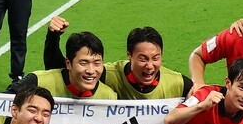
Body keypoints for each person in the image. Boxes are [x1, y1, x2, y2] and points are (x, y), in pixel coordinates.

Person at [43, 18, 193, 100]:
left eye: (155, 58)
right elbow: (61, 70)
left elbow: (199, 94)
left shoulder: (177, 83)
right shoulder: (109, 74)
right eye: (142, 59)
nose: (150, 66)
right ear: (129, 55)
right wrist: (53, 37)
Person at [17, 31, 117, 99]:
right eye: (83, 63)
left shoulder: (109, 97)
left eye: (97, 63)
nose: (91, 71)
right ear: (68, 63)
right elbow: (2, 101)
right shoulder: (38, 82)